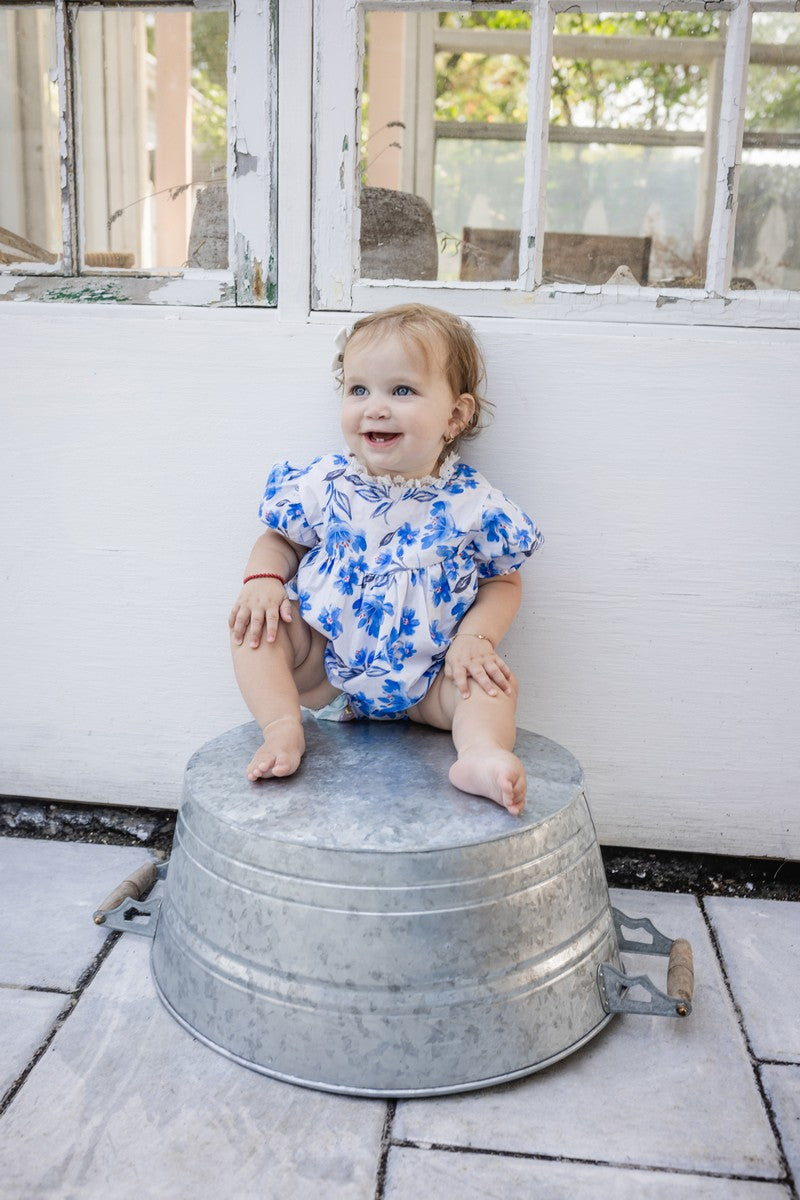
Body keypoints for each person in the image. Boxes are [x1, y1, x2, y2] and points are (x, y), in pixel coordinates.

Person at [229, 304, 543, 815]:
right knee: (256, 629)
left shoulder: (473, 504)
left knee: (490, 685)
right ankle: (282, 728)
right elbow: (279, 539)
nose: (375, 407)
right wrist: (263, 579)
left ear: (455, 416)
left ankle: (481, 754)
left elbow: (503, 582)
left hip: (432, 680)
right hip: (323, 668)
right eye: (359, 390)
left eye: (402, 391)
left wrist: (475, 640)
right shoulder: (327, 482)